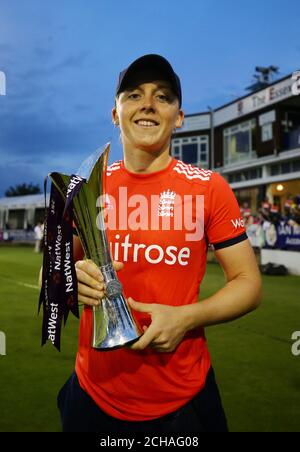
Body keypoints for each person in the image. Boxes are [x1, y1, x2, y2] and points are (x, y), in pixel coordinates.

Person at [55, 54, 262, 433]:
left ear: (179, 118)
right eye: (133, 95)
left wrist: (188, 317)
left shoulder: (208, 187)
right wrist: (67, 282)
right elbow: (48, 277)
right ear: (115, 113)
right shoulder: (85, 187)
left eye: (163, 96)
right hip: (91, 394)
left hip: (183, 401)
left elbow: (249, 284)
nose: (148, 103)